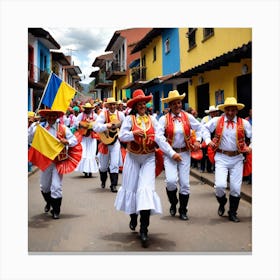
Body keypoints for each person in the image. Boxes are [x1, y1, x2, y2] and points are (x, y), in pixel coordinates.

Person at [114, 89, 175, 248]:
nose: (142, 105)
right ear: (135, 105)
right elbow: (122, 136)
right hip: (133, 158)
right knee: (132, 189)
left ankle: (144, 229)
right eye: (139, 103)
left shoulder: (153, 120)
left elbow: (160, 138)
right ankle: (133, 216)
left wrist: (171, 152)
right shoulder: (129, 119)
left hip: (148, 158)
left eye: (144, 103)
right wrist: (134, 134)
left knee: (146, 189)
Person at [158, 90, 206, 221]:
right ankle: (173, 203)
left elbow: (201, 128)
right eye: (174, 104)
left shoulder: (187, 117)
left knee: (185, 183)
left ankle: (183, 210)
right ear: (169, 105)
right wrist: (171, 153)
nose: (177, 106)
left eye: (179, 103)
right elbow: (159, 138)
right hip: (170, 154)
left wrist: (198, 140)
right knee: (171, 181)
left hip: (184, 152)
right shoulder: (163, 119)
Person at [203, 97, 252, 222]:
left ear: (237, 110)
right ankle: (222, 201)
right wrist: (208, 141)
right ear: (224, 110)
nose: (230, 113)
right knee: (219, 186)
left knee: (236, 188)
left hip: (237, 158)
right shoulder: (217, 120)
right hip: (221, 156)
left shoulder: (244, 123)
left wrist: (250, 147)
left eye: (233, 110)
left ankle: (232, 212)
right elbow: (204, 129)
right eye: (228, 110)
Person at [28, 109, 78, 219]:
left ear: (57, 117)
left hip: (58, 161)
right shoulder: (40, 129)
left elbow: (74, 140)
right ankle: (49, 202)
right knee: (45, 186)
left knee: (56, 186)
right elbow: (28, 138)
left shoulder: (63, 128)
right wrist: (32, 126)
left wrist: (67, 141)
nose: (51, 118)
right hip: (45, 161)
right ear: (46, 116)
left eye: (53, 116)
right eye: (49, 116)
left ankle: (56, 211)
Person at [93, 97, 125, 192]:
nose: (112, 106)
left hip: (115, 142)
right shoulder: (103, 114)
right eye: (110, 104)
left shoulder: (121, 115)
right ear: (107, 105)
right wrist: (106, 125)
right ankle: (103, 180)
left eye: (114, 104)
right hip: (105, 142)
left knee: (114, 164)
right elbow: (95, 127)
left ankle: (113, 185)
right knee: (103, 166)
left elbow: (125, 127)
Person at [74, 102, 99, 178]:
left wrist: (92, 125)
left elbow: (98, 124)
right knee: (84, 152)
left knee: (91, 153)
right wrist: (82, 124)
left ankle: (90, 170)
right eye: (87, 109)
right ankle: (85, 169)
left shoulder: (95, 115)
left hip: (92, 137)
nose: (88, 110)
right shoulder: (81, 115)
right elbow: (75, 123)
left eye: (89, 109)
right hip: (83, 137)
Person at [200, 105, 220, 173]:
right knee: (203, 154)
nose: (214, 113)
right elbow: (202, 129)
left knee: (211, 154)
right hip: (205, 138)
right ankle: (202, 168)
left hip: (214, 138)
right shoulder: (205, 119)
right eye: (212, 112)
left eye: (215, 112)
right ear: (210, 113)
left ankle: (209, 168)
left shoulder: (218, 119)